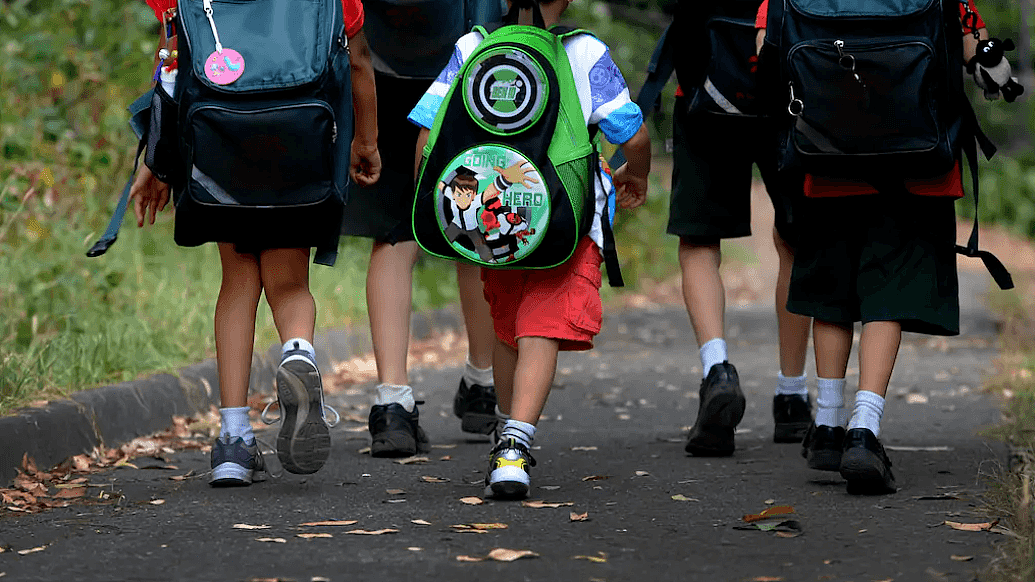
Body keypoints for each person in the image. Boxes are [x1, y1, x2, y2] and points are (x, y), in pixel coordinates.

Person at [408, 0, 652, 499]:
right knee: (542, 323)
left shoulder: (472, 45)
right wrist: (638, 172)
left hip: (490, 223)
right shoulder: (583, 50)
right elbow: (633, 132)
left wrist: (440, 202)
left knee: (508, 327)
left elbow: (428, 132)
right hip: (564, 219)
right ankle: (515, 445)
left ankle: (505, 427)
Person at [131, 0, 380, 485]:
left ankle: (232, 441)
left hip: (221, 142)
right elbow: (358, 61)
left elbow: (171, 60)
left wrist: (155, 160)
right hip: (300, 140)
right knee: (289, 284)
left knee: (238, 280)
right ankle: (298, 353)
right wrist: (365, 141)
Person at [756, 0, 997, 494]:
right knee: (886, 293)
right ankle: (864, 431)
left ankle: (826, 424)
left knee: (832, 293)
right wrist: (1000, 75)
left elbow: (767, 60)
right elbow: (983, 58)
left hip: (826, 162)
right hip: (917, 165)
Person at [346, 1, 506, 458]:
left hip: (376, 75)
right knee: (473, 228)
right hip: (467, 69)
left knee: (394, 236)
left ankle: (392, 403)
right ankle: (481, 382)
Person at [667, 2, 813, 458]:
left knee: (699, 240)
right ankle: (792, 396)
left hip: (705, 95)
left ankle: (717, 371)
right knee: (796, 241)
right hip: (789, 100)